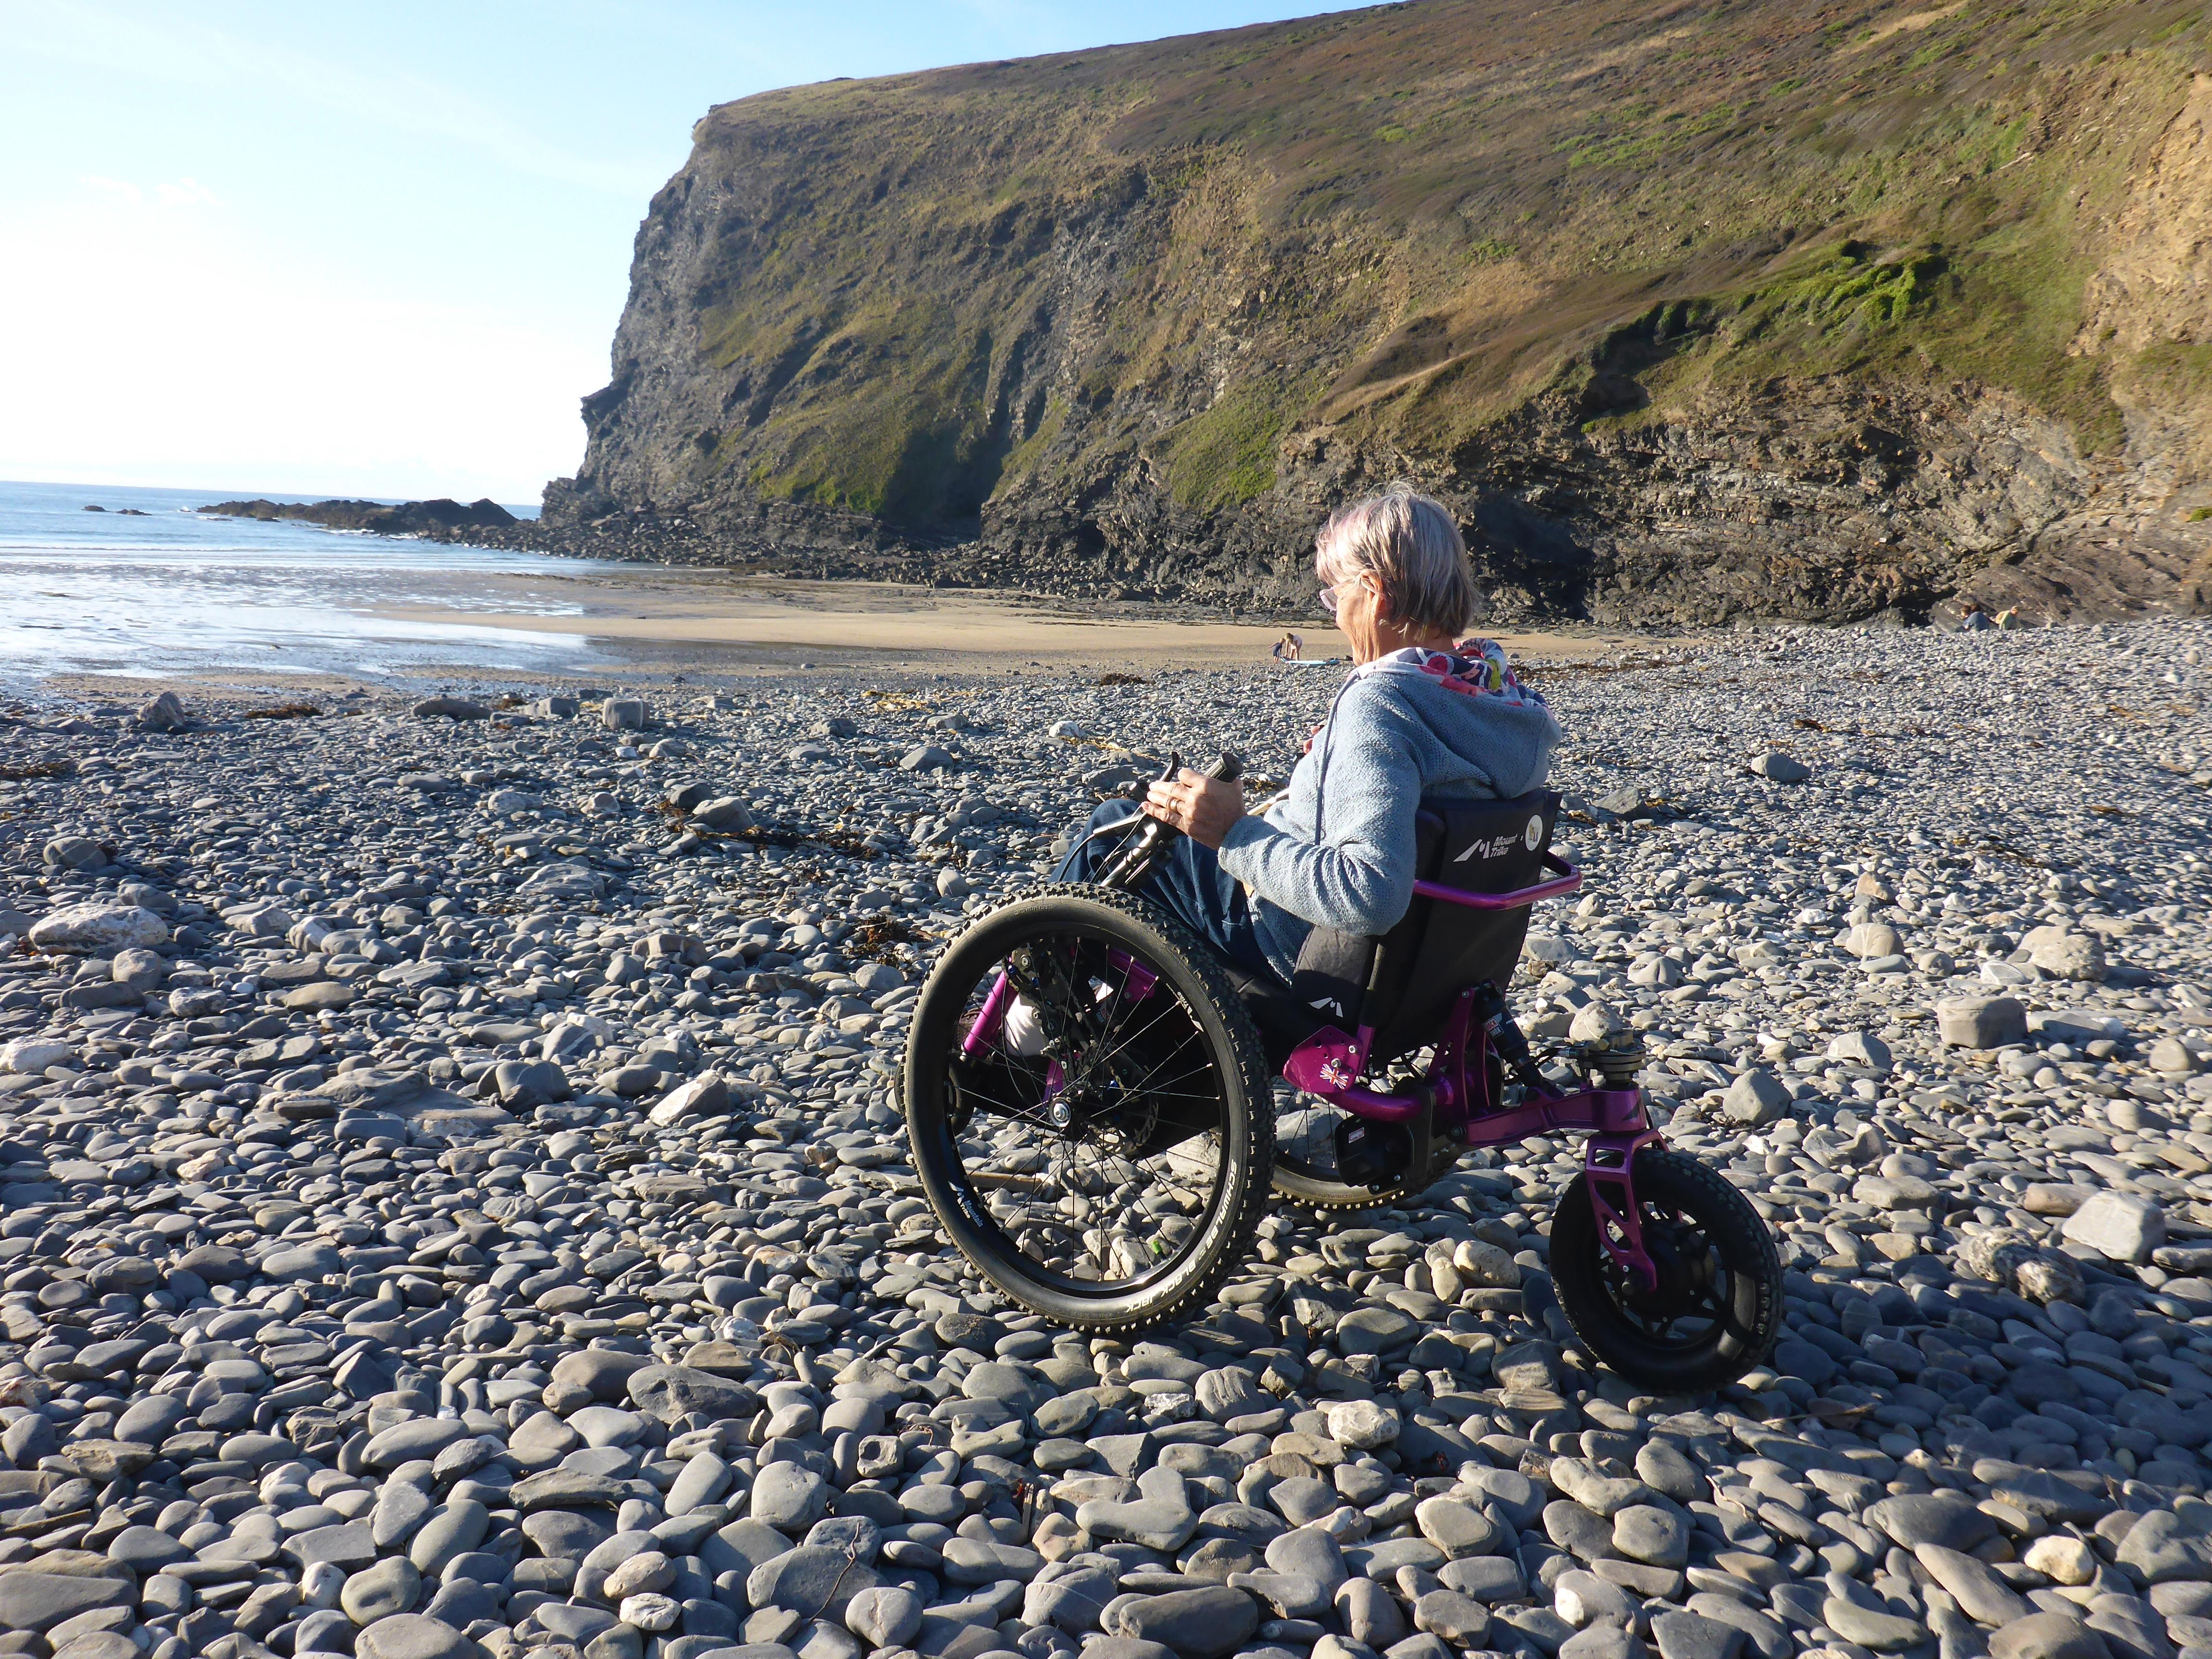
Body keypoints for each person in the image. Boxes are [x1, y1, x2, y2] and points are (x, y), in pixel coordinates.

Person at [1054, 484, 1562, 986]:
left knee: (1116, 827)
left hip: (1290, 941)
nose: (1335, 615)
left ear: (1375, 592)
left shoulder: (1383, 703)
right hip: (1437, 971)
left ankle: (1030, 1021)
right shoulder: (1500, 702)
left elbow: (1370, 895)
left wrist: (1232, 832)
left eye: (1336, 595)